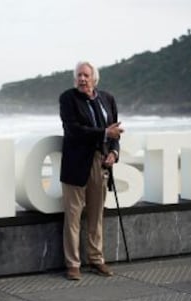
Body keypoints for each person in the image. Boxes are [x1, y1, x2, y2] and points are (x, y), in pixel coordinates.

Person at [59, 61, 124, 280]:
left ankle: (97, 260)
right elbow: (74, 130)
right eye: (79, 75)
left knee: (96, 215)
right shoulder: (68, 98)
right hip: (76, 164)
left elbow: (115, 132)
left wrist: (114, 152)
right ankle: (73, 264)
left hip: (101, 163)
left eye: (86, 75)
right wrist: (104, 133)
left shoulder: (108, 99)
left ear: (94, 78)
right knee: (73, 216)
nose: (82, 79)